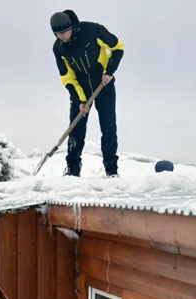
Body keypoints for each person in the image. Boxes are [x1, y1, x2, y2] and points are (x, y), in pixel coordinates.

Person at [50, 10, 124, 178]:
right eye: (56, 34)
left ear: (71, 27)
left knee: (108, 126)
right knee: (76, 128)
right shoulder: (59, 48)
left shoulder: (92, 31)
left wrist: (109, 72)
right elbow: (67, 77)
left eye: (63, 32)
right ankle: (73, 169)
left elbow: (118, 48)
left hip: (103, 84)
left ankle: (111, 169)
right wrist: (81, 100)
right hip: (80, 89)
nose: (60, 36)